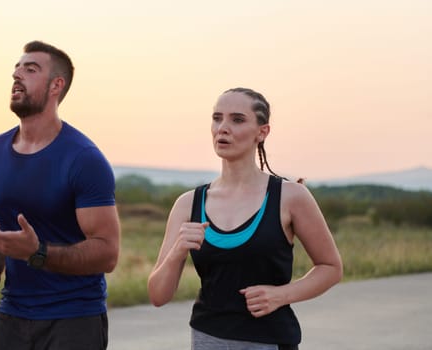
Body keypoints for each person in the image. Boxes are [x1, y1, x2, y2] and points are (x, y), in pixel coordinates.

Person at [147, 87, 343, 350]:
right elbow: (158, 295)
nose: (223, 128)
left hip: (270, 341)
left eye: (237, 119)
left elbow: (331, 267)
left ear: (262, 132)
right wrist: (177, 252)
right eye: (217, 118)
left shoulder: (290, 196)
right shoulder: (188, 203)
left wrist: (280, 295)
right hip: (207, 338)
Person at [0, 41, 120, 350]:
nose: (17, 75)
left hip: (74, 318)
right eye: (16, 68)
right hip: (12, 311)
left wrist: (37, 252)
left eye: (30, 69)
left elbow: (108, 253)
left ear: (56, 85)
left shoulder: (84, 159)